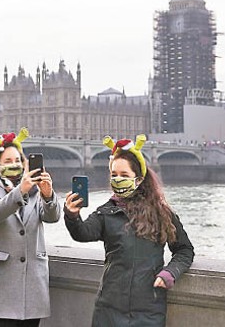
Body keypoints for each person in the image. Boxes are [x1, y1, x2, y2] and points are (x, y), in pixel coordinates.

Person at [64, 134, 194, 327]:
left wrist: (169, 273)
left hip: (148, 310)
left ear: (139, 179)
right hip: (108, 308)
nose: (118, 179)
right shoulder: (106, 212)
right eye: (114, 175)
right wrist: (72, 215)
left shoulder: (161, 213)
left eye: (124, 176)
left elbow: (184, 250)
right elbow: (82, 234)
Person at [0, 127, 61, 327]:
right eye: (8, 161)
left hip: (32, 290)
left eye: (18, 161)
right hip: (0, 291)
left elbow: (53, 217)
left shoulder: (35, 194)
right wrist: (21, 190)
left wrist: (48, 195)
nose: (15, 165)